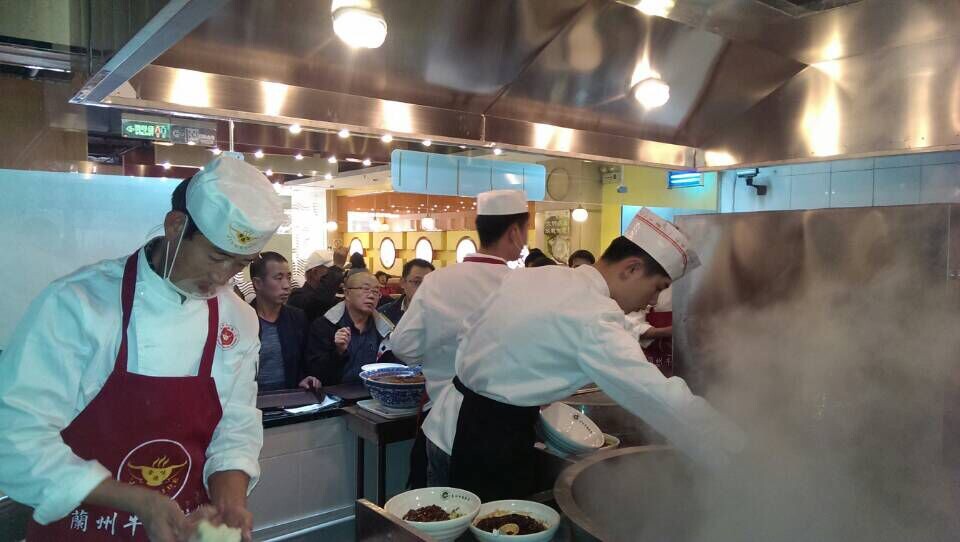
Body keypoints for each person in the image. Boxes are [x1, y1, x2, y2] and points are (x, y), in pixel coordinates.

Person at [0, 155, 284, 541]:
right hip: (81, 529)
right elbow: (14, 437)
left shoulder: (238, 318)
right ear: (176, 226)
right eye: (216, 257)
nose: (221, 276)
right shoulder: (78, 305)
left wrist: (230, 503)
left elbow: (234, 426)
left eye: (239, 264)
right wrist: (139, 501)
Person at [434, 208, 745, 501]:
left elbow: (469, 330)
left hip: (445, 423)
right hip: (487, 439)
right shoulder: (594, 316)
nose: (651, 301)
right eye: (656, 288)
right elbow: (658, 396)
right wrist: (736, 448)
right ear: (631, 269)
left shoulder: (542, 276)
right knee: (489, 524)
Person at [392, 189, 530, 488]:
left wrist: (438, 355)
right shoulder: (522, 286)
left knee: (440, 511)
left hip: (441, 425)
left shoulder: (437, 281)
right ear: (514, 232)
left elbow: (402, 345)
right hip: (503, 429)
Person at [303, 271, 398, 385]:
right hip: (335, 393)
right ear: (347, 293)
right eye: (365, 289)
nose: (371, 296)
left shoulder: (385, 329)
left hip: (373, 392)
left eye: (376, 291)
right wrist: (339, 352)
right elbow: (316, 373)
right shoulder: (325, 325)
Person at [249, 252, 317, 392]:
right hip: (252, 399)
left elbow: (305, 362)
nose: (286, 285)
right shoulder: (241, 320)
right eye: (278, 278)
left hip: (290, 397)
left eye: (288, 277)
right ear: (258, 283)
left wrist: (306, 378)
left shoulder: (297, 318)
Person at [287, 247, 347, 323]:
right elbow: (319, 301)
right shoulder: (297, 297)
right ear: (315, 272)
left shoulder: (331, 296)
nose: (337, 278)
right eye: (330, 272)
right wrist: (337, 268)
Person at [379, 259, 435, 326]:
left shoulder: (440, 316)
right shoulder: (384, 314)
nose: (423, 288)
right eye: (417, 282)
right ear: (403, 283)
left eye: (428, 283)